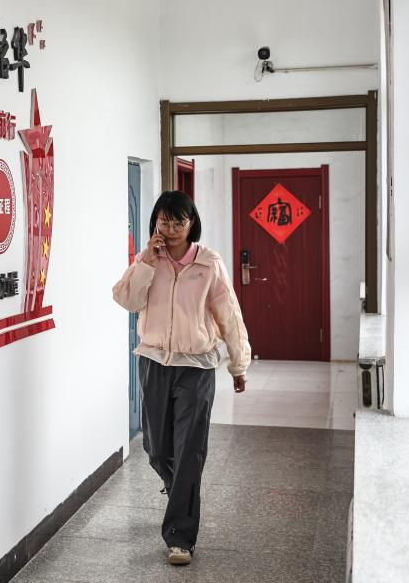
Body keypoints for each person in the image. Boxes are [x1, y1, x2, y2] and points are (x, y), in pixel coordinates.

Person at [112, 190, 251, 567]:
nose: (171, 229)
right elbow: (126, 300)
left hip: (197, 366)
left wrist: (239, 364)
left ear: (192, 224)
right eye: (165, 221)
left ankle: (180, 537)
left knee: (189, 449)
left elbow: (229, 315)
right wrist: (145, 260)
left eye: (179, 222)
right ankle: (179, 490)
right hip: (154, 361)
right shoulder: (148, 260)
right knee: (156, 448)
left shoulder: (209, 263)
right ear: (155, 222)